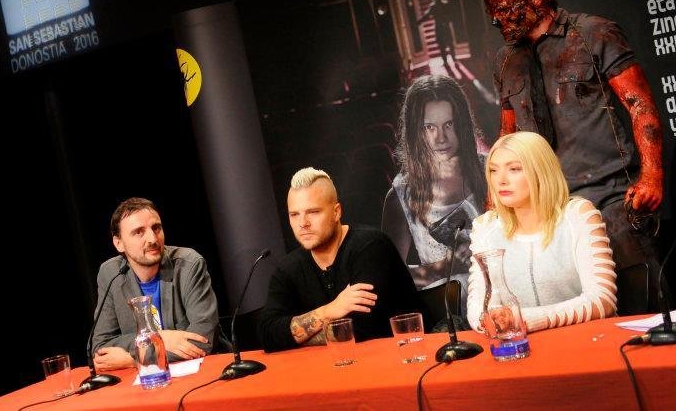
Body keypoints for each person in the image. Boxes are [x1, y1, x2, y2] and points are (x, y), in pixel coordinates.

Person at [484, 0, 665, 305]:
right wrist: (493, 201)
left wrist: (652, 176)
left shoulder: (593, 33)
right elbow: (507, 136)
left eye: (505, 7)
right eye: (493, 11)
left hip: (611, 195)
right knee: (578, 309)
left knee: (643, 302)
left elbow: (639, 103)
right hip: (551, 208)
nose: (497, 19)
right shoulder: (506, 61)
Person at [257, 168, 423, 352]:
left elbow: (363, 329)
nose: (303, 223)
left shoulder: (370, 246)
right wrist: (329, 311)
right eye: (294, 214)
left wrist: (292, 338)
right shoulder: (288, 268)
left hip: (404, 358)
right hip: (337, 369)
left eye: (313, 212)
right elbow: (267, 336)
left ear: (336, 212)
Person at [466, 132, 617, 333]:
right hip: (520, 348)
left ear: (541, 172)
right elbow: (478, 307)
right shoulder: (485, 228)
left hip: (587, 342)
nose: (500, 180)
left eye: (514, 169)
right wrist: (488, 320)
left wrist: (527, 318)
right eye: (493, 170)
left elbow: (602, 300)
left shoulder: (578, 215)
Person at [381, 75, 486, 321]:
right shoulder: (402, 194)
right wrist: (444, 267)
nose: (441, 137)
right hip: (446, 316)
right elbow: (388, 278)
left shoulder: (489, 170)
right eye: (430, 127)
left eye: (449, 124)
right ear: (416, 132)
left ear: (462, 125)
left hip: (501, 299)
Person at [91, 197, 221, 371]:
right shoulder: (110, 273)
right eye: (139, 232)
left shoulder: (189, 265)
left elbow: (202, 341)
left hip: (201, 372)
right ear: (119, 243)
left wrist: (135, 359)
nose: (153, 238)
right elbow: (101, 347)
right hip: (144, 385)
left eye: (156, 228)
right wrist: (161, 337)